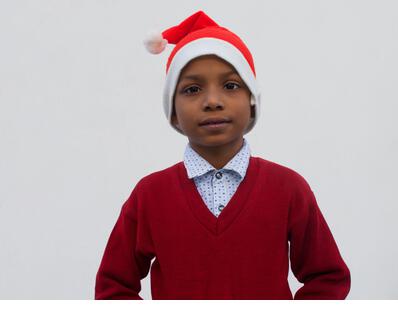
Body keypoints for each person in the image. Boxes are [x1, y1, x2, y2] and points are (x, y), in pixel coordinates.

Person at [95, 10, 351, 300]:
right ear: (173, 113)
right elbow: (113, 288)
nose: (213, 101)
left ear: (252, 102)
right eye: (192, 89)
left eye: (231, 86)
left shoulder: (289, 188)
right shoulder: (149, 196)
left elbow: (327, 278)